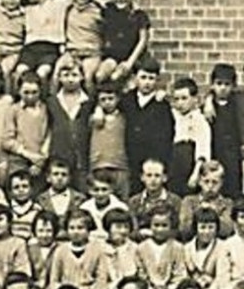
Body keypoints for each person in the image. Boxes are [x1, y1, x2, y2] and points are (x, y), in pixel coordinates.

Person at [117, 59, 175, 194]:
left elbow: (168, 134)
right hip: (130, 156)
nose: (147, 82)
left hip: (153, 157)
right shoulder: (127, 100)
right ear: (135, 78)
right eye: (143, 77)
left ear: (157, 80)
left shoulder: (162, 105)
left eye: (151, 78)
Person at [47, 209, 113, 289]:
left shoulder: (97, 249)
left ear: (88, 230)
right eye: (72, 228)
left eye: (80, 228)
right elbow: (54, 279)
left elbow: (101, 279)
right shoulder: (61, 250)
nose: (76, 232)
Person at [45, 56, 94, 188]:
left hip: (81, 158)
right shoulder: (52, 101)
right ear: (59, 78)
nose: (70, 79)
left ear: (82, 77)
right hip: (59, 156)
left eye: (74, 75)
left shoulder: (89, 102)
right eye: (66, 75)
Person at [95, 0, 152, 87]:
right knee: (100, 75)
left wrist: (130, 62)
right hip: (112, 56)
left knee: (118, 78)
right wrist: (100, 0)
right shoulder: (109, 9)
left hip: (132, 58)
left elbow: (143, 40)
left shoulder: (138, 15)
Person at [1, 71, 52, 183]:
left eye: (34, 92)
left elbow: (49, 134)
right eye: (26, 92)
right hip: (19, 160)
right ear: (19, 91)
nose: (30, 96)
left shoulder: (46, 109)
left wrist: (40, 160)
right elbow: (7, 141)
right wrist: (28, 155)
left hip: (41, 161)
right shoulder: (13, 110)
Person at [135, 206, 187, 289]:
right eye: (156, 225)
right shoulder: (141, 248)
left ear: (171, 226)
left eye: (164, 225)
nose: (160, 229)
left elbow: (179, 274)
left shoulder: (177, 247)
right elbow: (142, 275)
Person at [169, 77, 214, 198]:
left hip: (189, 162)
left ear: (194, 99)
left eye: (184, 98)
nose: (180, 103)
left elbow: (203, 150)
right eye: (176, 99)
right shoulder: (175, 116)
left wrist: (195, 174)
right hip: (174, 162)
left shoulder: (199, 120)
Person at [206, 63, 244, 198]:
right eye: (219, 83)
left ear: (233, 86)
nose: (222, 88)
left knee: (233, 190)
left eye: (227, 84)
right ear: (212, 85)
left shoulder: (238, 104)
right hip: (215, 154)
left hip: (234, 157)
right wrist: (208, 99)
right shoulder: (207, 109)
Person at [88, 84, 131, 199]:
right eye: (103, 99)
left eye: (111, 98)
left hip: (120, 165)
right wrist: (97, 110)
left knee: (122, 200)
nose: (107, 102)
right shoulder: (93, 118)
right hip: (98, 165)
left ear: (117, 99)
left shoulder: (124, 117)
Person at [62, 0, 105, 87]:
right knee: (58, 73)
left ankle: (89, 104)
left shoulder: (99, 10)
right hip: (71, 52)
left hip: (92, 53)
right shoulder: (66, 8)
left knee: (87, 77)